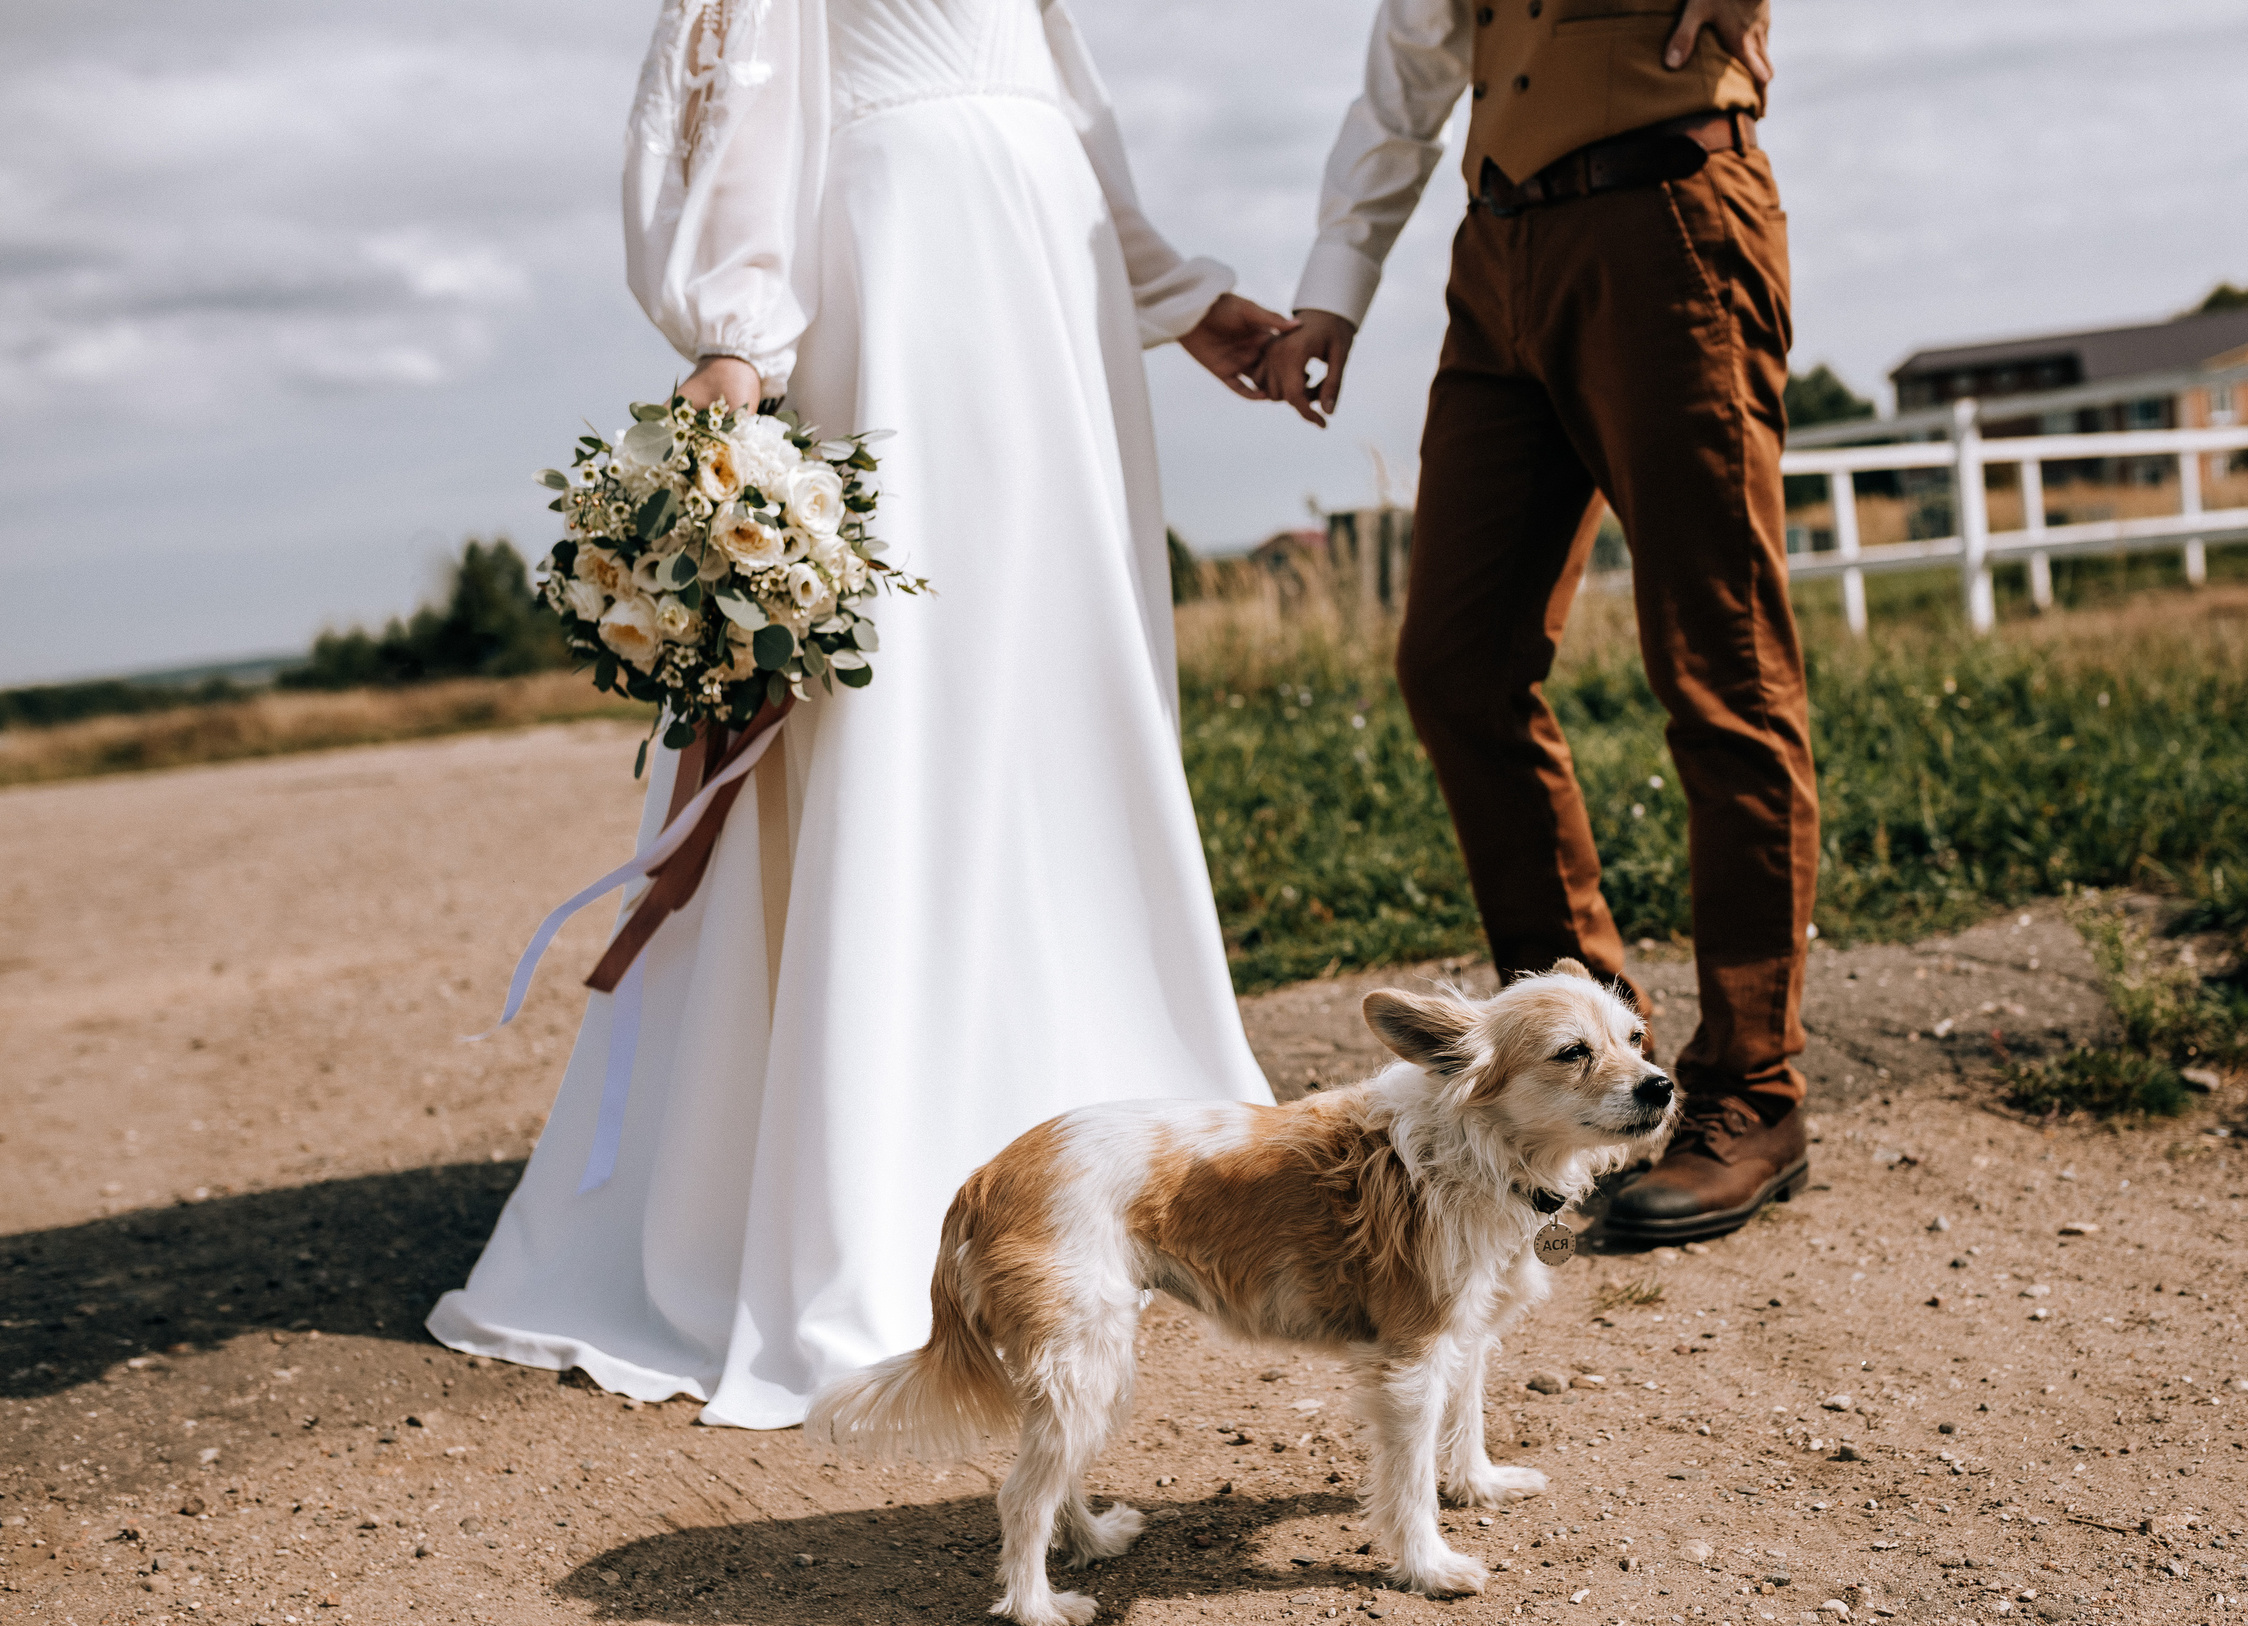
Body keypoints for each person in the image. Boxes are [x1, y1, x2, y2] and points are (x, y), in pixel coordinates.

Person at [430, 0, 1285, 1427]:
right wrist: (735, 337)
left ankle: (1087, 1128)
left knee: (1063, 694)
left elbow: (1049, 77)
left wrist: (1175, 293)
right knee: (907, 702)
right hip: (909, 268)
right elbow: (744, 62)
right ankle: (886, 1148)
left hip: (1041, 263)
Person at [1259, 0, 1816, 1246]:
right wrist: (1334, 287)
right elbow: (1410, 65)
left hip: (1668, 214)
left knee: (1722, 670)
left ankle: (1754, 1091)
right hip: (1497, 247)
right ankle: (1595, 1067)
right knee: (1457, 662)